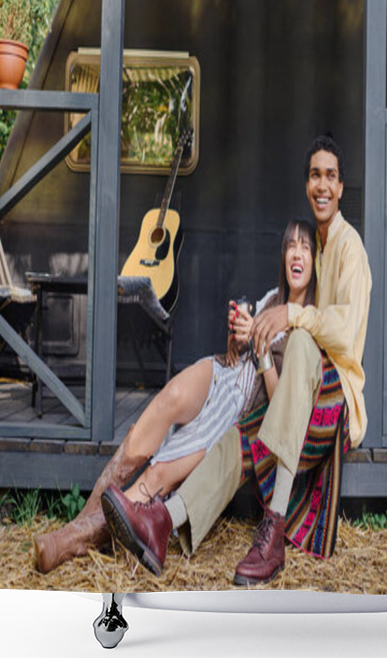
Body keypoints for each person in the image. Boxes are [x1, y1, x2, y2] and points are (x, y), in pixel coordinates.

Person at [102, 134, 372, 585]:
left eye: (330, 176)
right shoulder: (319, 249)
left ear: (342, 187)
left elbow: (345, 332)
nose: (322, 185)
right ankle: (161, 522)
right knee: (239, 437)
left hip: (335, 403)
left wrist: (294, 314)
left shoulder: (350, 248)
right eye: (314, 176)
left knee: (304, 340)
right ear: (307, 184)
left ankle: (275, 530)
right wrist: (254, 339)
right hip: (298, 399)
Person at [33, 219, 317, 574]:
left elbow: (281, 405)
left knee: (160, 472)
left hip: (240, 405)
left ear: (315, 261)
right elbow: (236, 355)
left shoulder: (307, 328)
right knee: (169, 397)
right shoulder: (271, 299)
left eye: (305, 247)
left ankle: (70, 542)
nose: (297, 253)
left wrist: (259, 350)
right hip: (225, 374)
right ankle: (80, 520)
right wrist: (237, 338)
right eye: (291, 245)